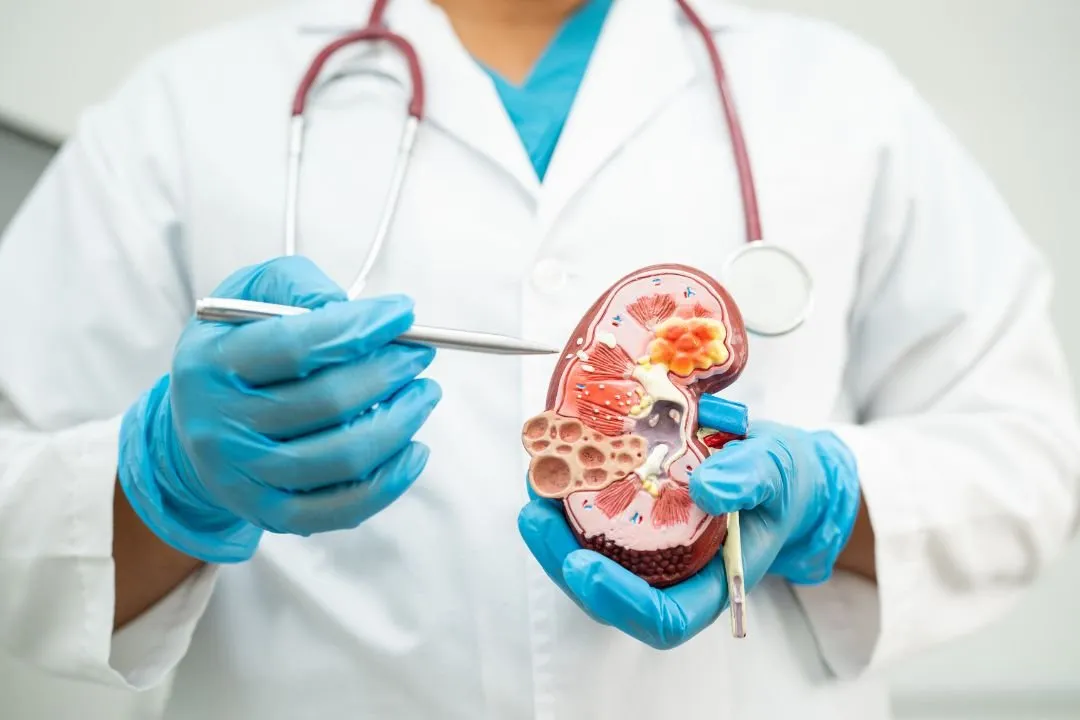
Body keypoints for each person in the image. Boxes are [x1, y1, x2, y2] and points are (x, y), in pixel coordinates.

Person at [0, 0, 1077, 717]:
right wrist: (163, 479)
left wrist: (832, 502)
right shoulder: (188, 108)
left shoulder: (836, 95)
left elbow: (1031, 454)